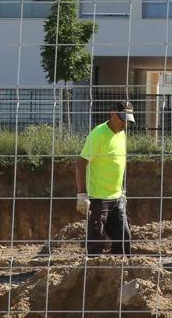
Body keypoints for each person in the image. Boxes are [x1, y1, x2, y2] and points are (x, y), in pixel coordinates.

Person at [75, 99, 135, 256]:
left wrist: (121, 190)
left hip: (116, 198)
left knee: (124, 238)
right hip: (98, 199)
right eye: (123, 119)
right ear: (113, 114)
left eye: (128, 120)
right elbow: (80, 163)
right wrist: (82, 194)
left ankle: (119, 274)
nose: (125, 124)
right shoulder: (98, 134)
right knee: (96, 241)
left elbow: (118, 164)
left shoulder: (121, 134)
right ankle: (93, 275)